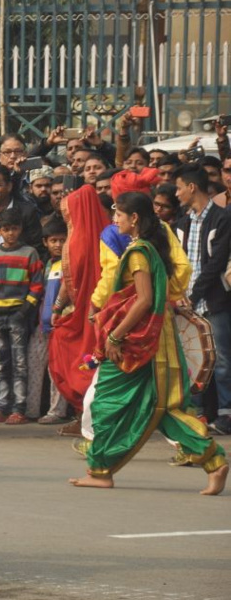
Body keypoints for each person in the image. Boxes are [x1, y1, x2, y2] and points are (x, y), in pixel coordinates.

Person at [70, 192, 227, 495]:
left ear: (134, 219)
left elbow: (143, 301)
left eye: (118, 214)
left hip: (140, 343)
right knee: (157, 408)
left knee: (107, 402)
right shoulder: (148, 247)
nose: (114, 220)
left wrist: (115, 336)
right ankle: (101, 470)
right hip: (152, 339)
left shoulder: (140, 252)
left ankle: (102, 469)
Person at [173, 165, 231, 435]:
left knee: (222, 359)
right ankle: (196, 413)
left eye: (179, 187)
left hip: (213, 301)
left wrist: (193, 295)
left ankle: (225, 413)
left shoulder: (222, 218)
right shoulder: (182, 224)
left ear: (192, 187)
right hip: (186, 303)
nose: (177, 193)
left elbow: (216, 263)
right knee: (193, 359)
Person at [0, 208, 44, 424]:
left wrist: (25, 309)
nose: (10, 233)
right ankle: (2, 407)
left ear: (20, 230)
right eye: (6, 229)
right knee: (1, 362)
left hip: (18, 314)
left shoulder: (29, 253)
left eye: (14, 229)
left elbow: (37, 285)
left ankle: (19, 408)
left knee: (19, 362)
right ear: (0, 231)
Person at [31, 217, 71, 424]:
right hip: (43, 322)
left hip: (61, 322)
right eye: (53, 241)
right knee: (35, 361)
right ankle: (31, 409)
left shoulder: (69, 263)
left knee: (56, 368)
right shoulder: (48, 264)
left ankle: (57, 411)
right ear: (46, 242)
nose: (58, 245)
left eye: (62, 240)